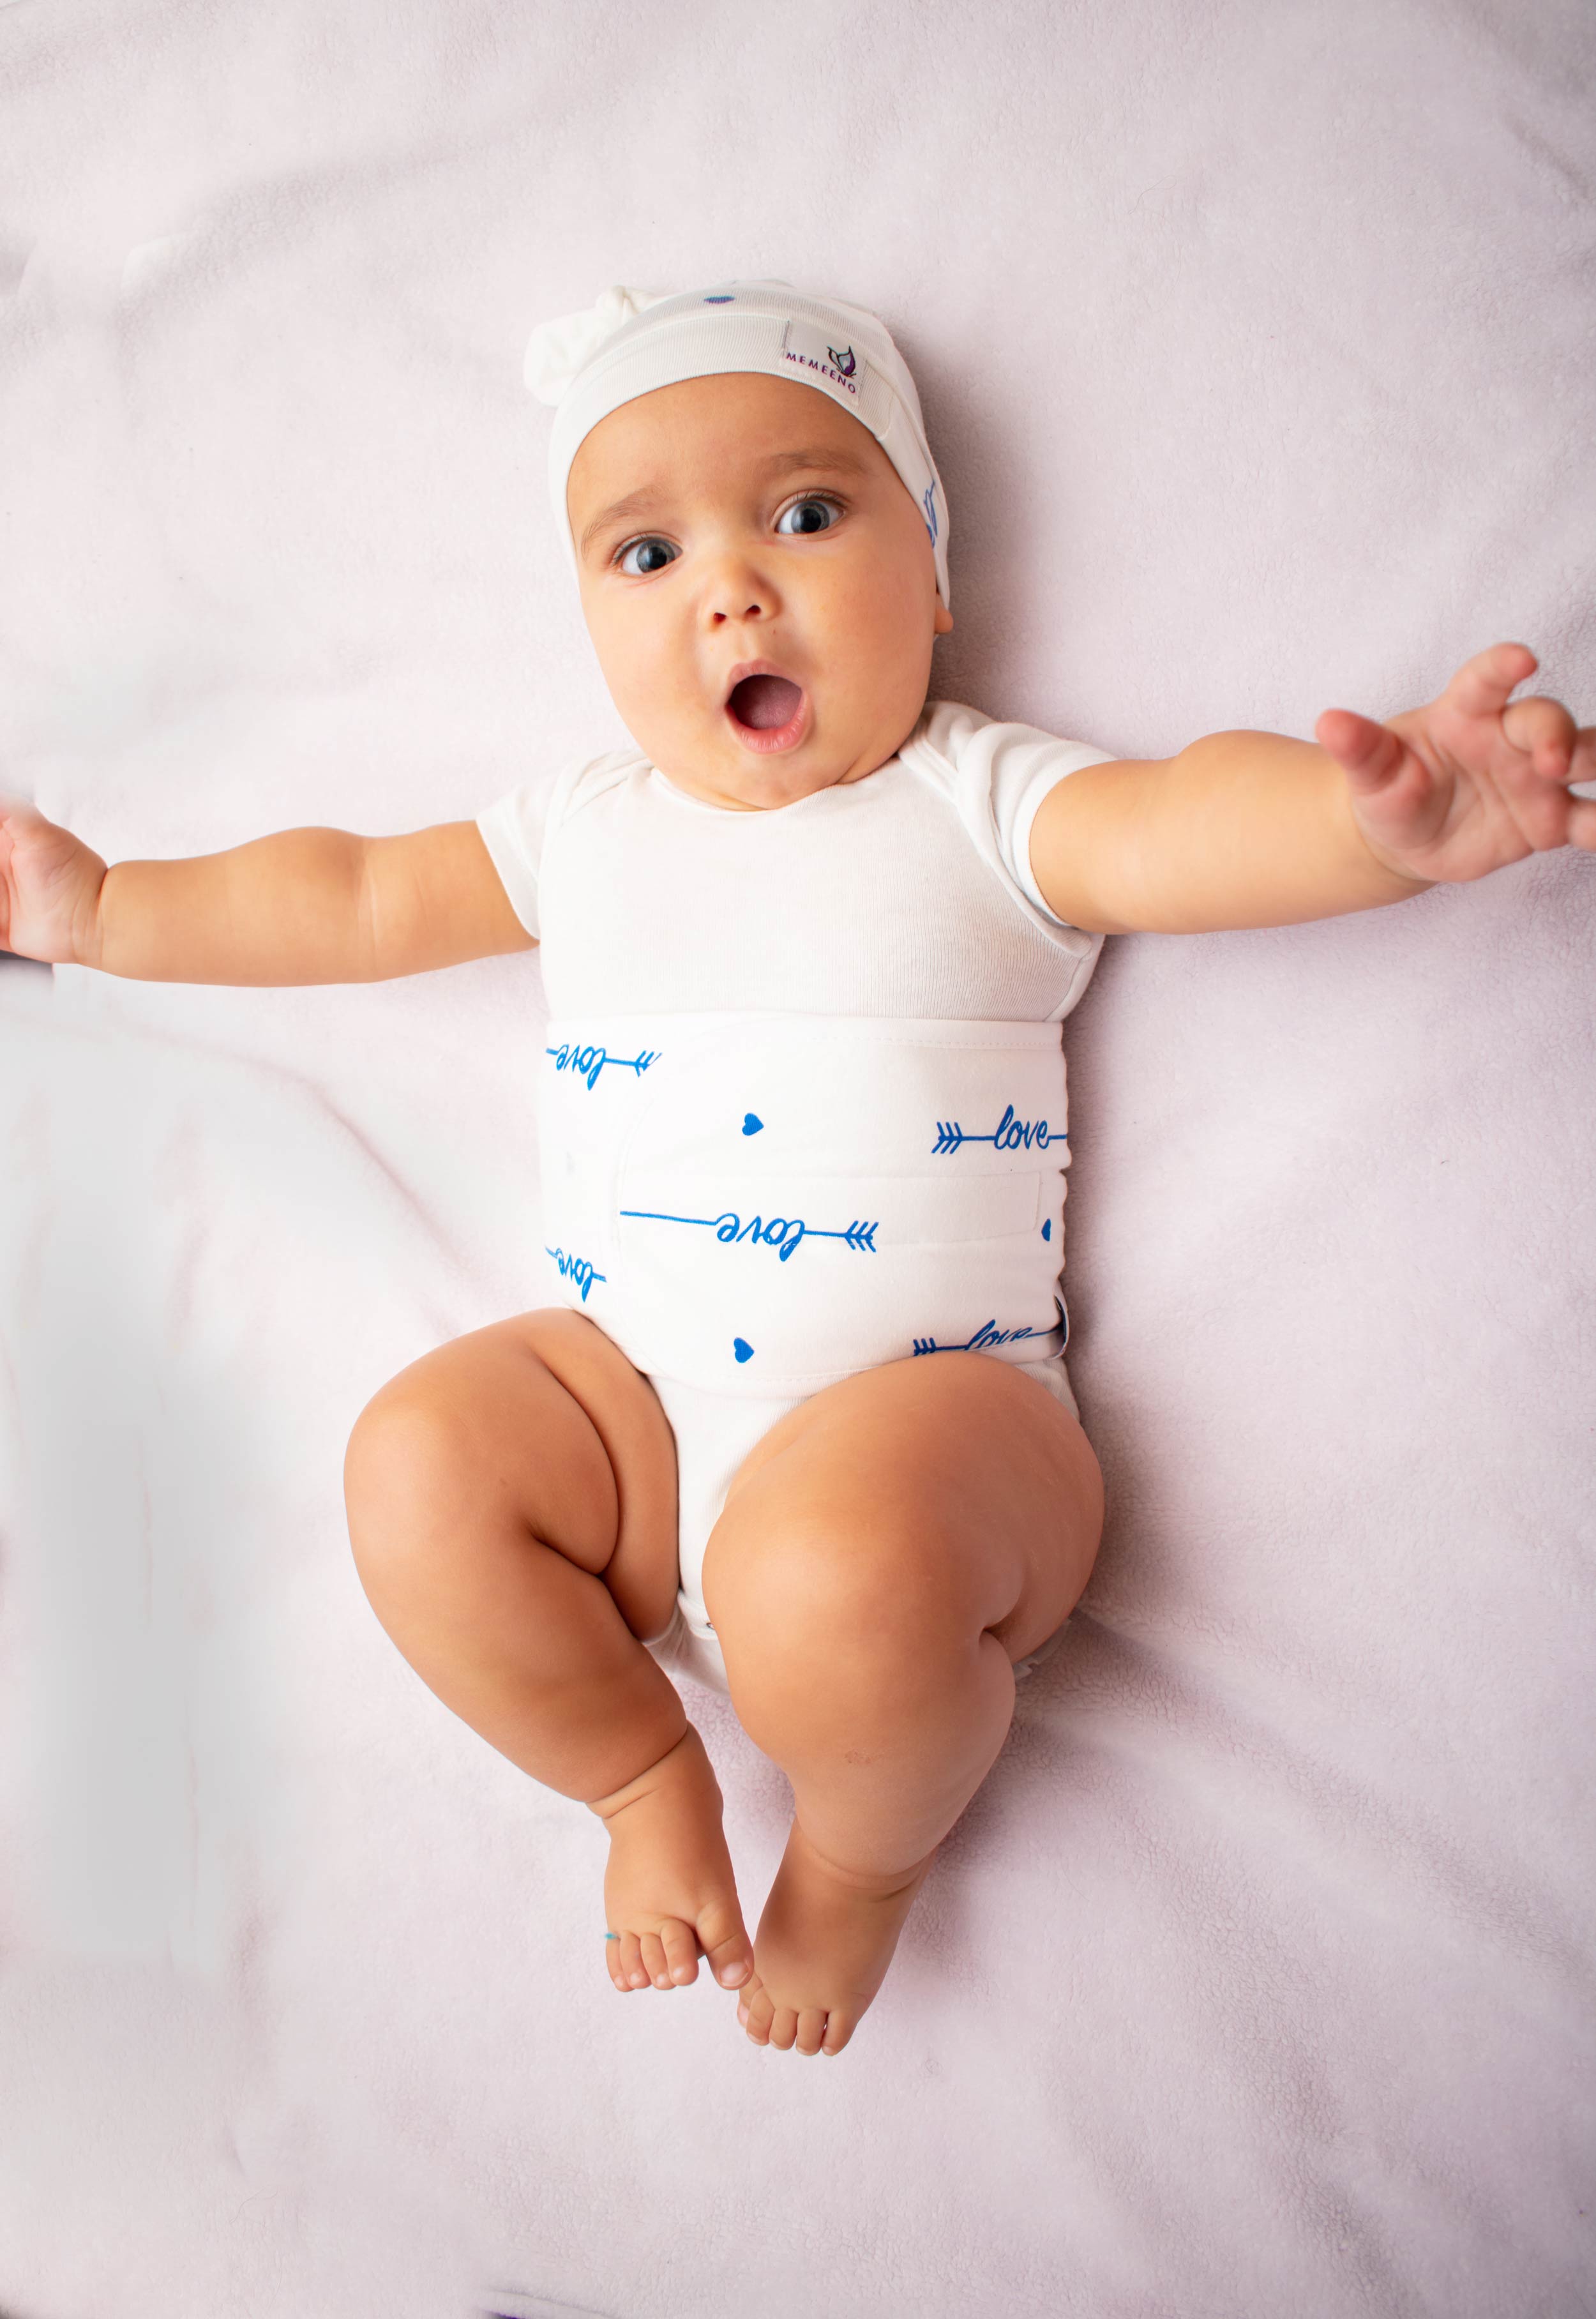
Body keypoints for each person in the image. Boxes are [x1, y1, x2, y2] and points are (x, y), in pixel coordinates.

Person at [3, 280, 1590, 2061]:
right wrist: (106, 912)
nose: (730, 588)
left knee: (827, 1579)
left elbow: (1180, 820)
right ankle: (635, 1778)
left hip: (941, 1433)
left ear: (931, 570)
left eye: (807, 514)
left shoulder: (977, 802)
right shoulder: (579, 828)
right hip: (637, 1425)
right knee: (418, 1460)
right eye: (646, 554)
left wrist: (1372, 829)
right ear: (588, 620)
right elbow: (351, 893)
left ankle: (857, 1862)